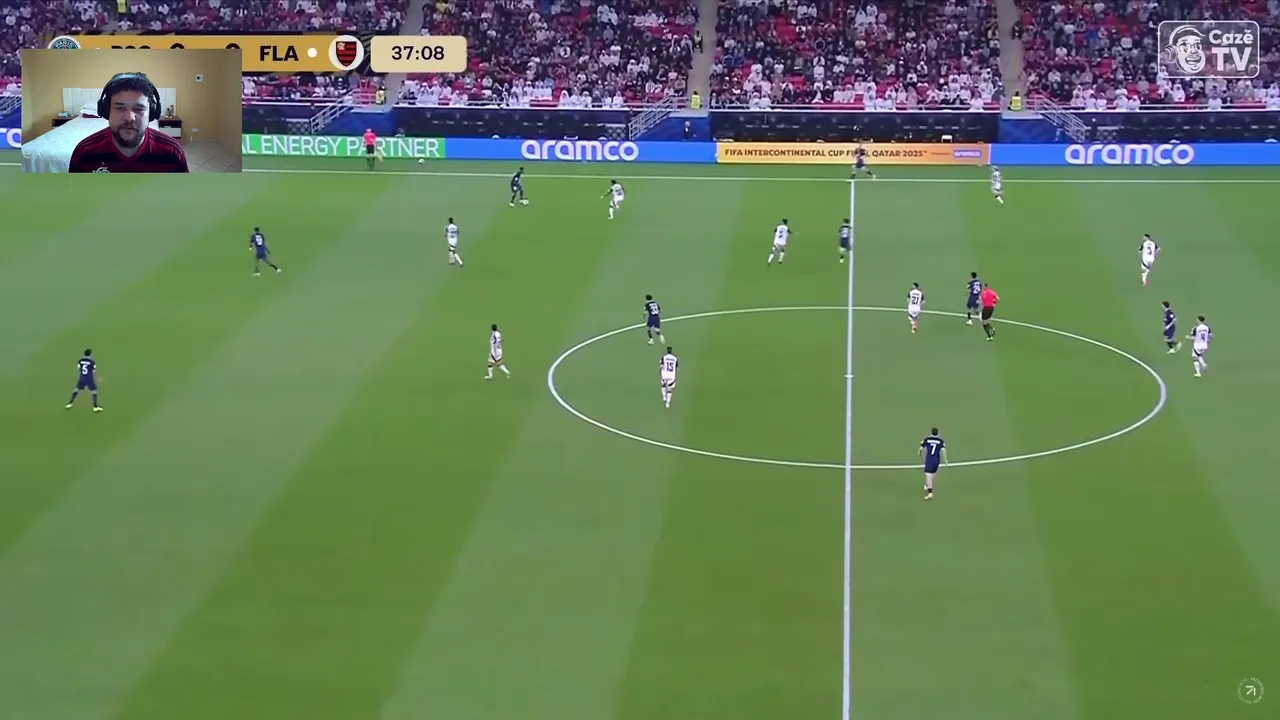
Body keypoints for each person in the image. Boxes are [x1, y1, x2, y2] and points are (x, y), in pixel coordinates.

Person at [68, 72, 188, 173]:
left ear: (152, 112)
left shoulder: (173, 151)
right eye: (119, 108)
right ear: (106, 111)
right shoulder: (84, 152)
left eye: (139, 109)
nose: (129, 118)